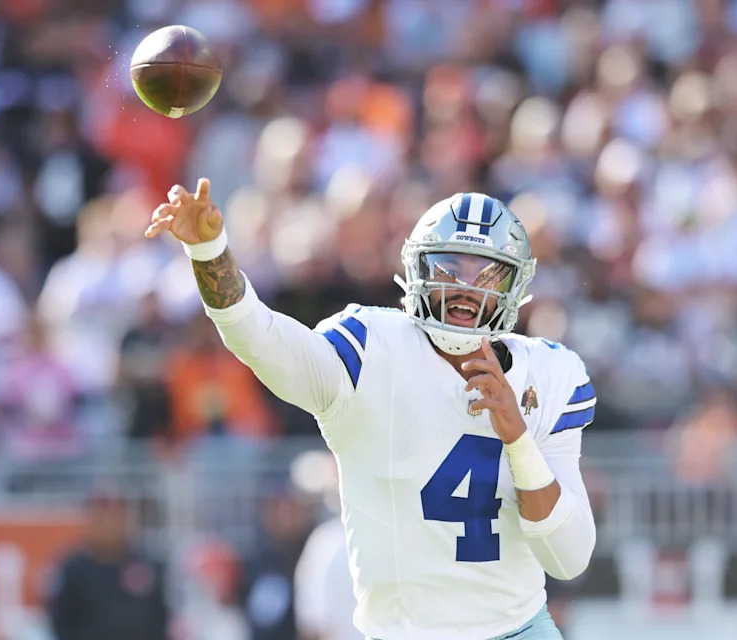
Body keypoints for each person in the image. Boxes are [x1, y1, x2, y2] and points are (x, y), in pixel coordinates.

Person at [145, 181, 597, 640]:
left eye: (486, 275)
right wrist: (210, 252)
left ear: (514, 284)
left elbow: (568, 556)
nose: (464, 289)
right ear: (418, 270)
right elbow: (260, 339)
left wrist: (518, 441)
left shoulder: (549, 373)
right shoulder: (369, 348)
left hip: (518, 630)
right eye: (448, 268)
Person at [47, 491, 169, 640]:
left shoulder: (148, 563)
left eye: (115, 517)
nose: (108, 525)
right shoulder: (72, 568)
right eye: (101, 517)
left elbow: (160, 617)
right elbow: (60, 621)